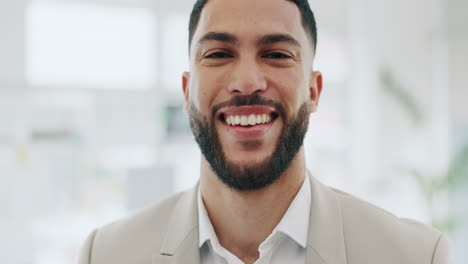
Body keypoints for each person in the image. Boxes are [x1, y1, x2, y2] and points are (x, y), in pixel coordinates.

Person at [78, 0, 450, 263]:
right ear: (186, 91)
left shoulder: (414, 256)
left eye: (276, 54)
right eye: (219, 54)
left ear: (314, 90)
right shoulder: (107, 255)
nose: (246, 82)